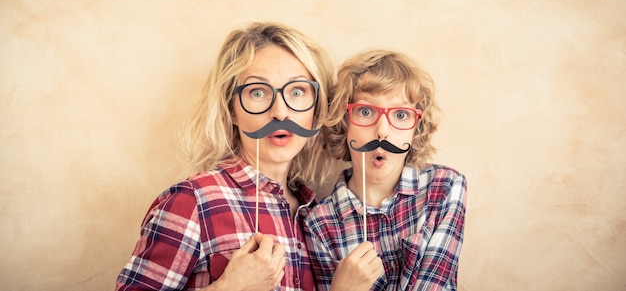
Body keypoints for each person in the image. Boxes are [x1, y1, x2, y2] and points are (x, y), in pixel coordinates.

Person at [115, 22, 337, 291]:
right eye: (257, 92)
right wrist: (230, 287)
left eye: (298, 92)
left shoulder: (317, 216)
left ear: (316, 106)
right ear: (232, 109)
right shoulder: (194, 201)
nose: (280, 113)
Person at [303, 49, 467, 291]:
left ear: (416, 127)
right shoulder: (319, 224)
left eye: (400, 114)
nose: (382, 131)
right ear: (344, 122)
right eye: (366, 111)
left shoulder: (444, 187)